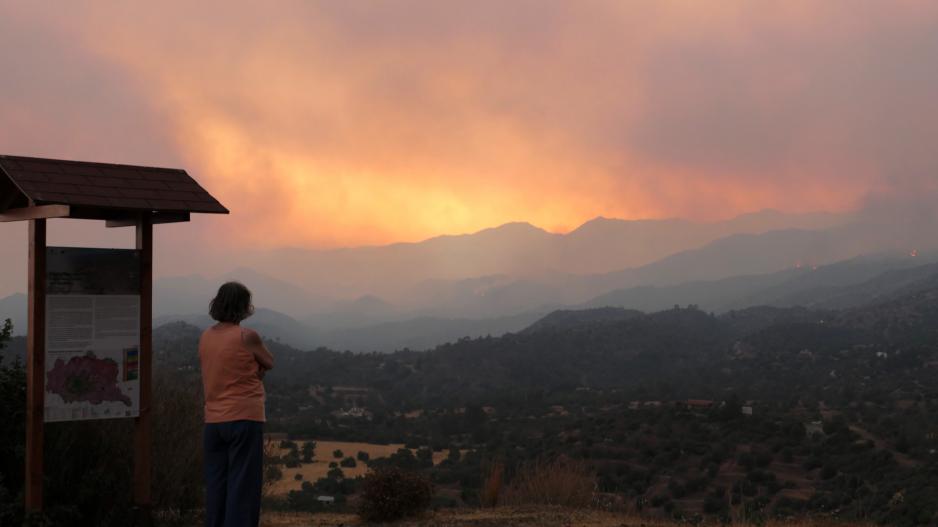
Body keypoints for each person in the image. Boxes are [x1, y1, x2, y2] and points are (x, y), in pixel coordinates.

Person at [199, 281, 273, 527]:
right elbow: (269, 361)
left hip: (213, 421)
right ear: (244, 307)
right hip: (244, 418)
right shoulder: (247, 336)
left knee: (217, 487)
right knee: (243, 488)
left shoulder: (206, 336)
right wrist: (256, 369)